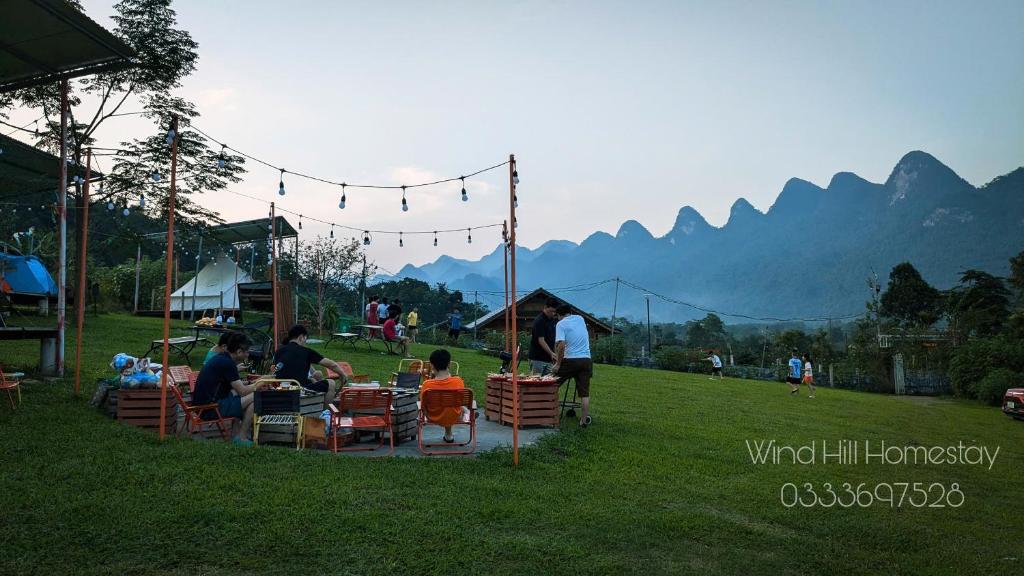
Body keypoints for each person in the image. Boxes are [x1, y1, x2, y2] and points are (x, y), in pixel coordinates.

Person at [192, 332, 270, 444]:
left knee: (247, 398)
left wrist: (256, 383)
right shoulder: (227, 364)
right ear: (238, 352)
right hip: (210, 409)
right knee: (257, 396)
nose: (248, 355)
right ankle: (241, 437)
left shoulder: (222, 359)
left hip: (204, 406)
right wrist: (262, 381)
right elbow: (243, 391)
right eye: (247, 351)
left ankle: (237, 435)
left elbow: (238, 389)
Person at [272, 325, 349, 408]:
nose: (305, 342)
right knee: (331, 383)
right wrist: (343, 374)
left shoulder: (279, 351)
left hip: (281, 389)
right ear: (301, 337)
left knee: (312, 380)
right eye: (305, 339)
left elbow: (277, 369)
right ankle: (326, 413)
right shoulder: (306, 351)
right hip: (298, 390)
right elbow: (332, 364)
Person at [550, 304, 593, 427]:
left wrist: (558, 364)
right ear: (570, 312)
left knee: (552, 384)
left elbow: (562, 345)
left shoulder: (561, 324)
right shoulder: (580, 319)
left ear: (559, 315)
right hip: (586, 360)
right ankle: (583, 421)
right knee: (584, 393)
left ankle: (548, 414)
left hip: (571, 360)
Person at [419, 348, 467, 443]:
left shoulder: (427, 385)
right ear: (449, 364)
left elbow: (423, 405)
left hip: (432, 416)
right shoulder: (458, 381)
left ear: (432, 365)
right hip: (454, 416)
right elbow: (460, 400)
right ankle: (449, 434)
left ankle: (448, 434)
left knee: (444, 406)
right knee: (452, 406)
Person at [528, 298, 559, 375]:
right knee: (536, 381)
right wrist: (551, 353)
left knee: (549, 381)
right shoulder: (539, 321)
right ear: (545, 307)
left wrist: (555, 353)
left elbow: (554, 339)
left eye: (554, 312)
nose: (553, 314)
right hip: (538, 358)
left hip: (548, 359)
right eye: (551, 311)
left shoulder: (552, 321)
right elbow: (541, 340)